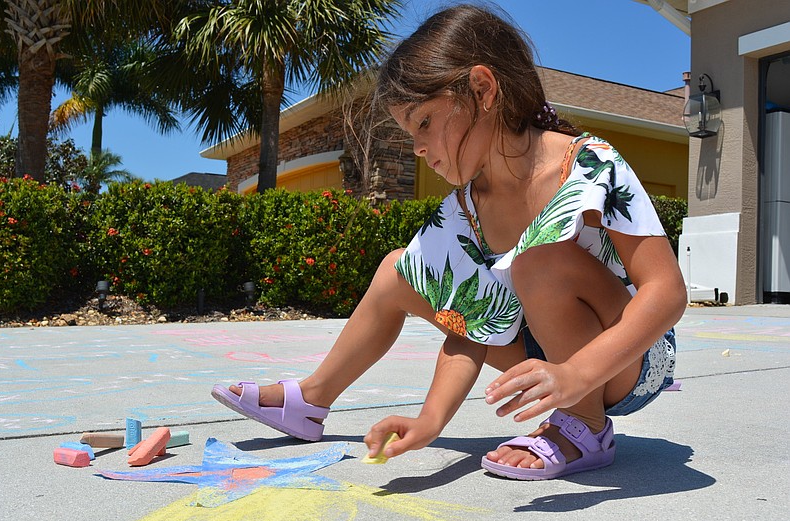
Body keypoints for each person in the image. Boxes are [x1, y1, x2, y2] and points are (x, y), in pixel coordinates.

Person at [212, 3, 687, 480]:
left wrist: (578, 374)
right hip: (541, 359)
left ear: (482, 89)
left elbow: (665, 292)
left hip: (627, 362)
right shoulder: (466, 208)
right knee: (401, 270)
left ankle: (584, 423)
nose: (418, 148)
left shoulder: (588, 164)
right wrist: (430, 420)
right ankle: (311, 400)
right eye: (409, 133)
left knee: (538, 263)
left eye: (424, 123)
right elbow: (469, 324)